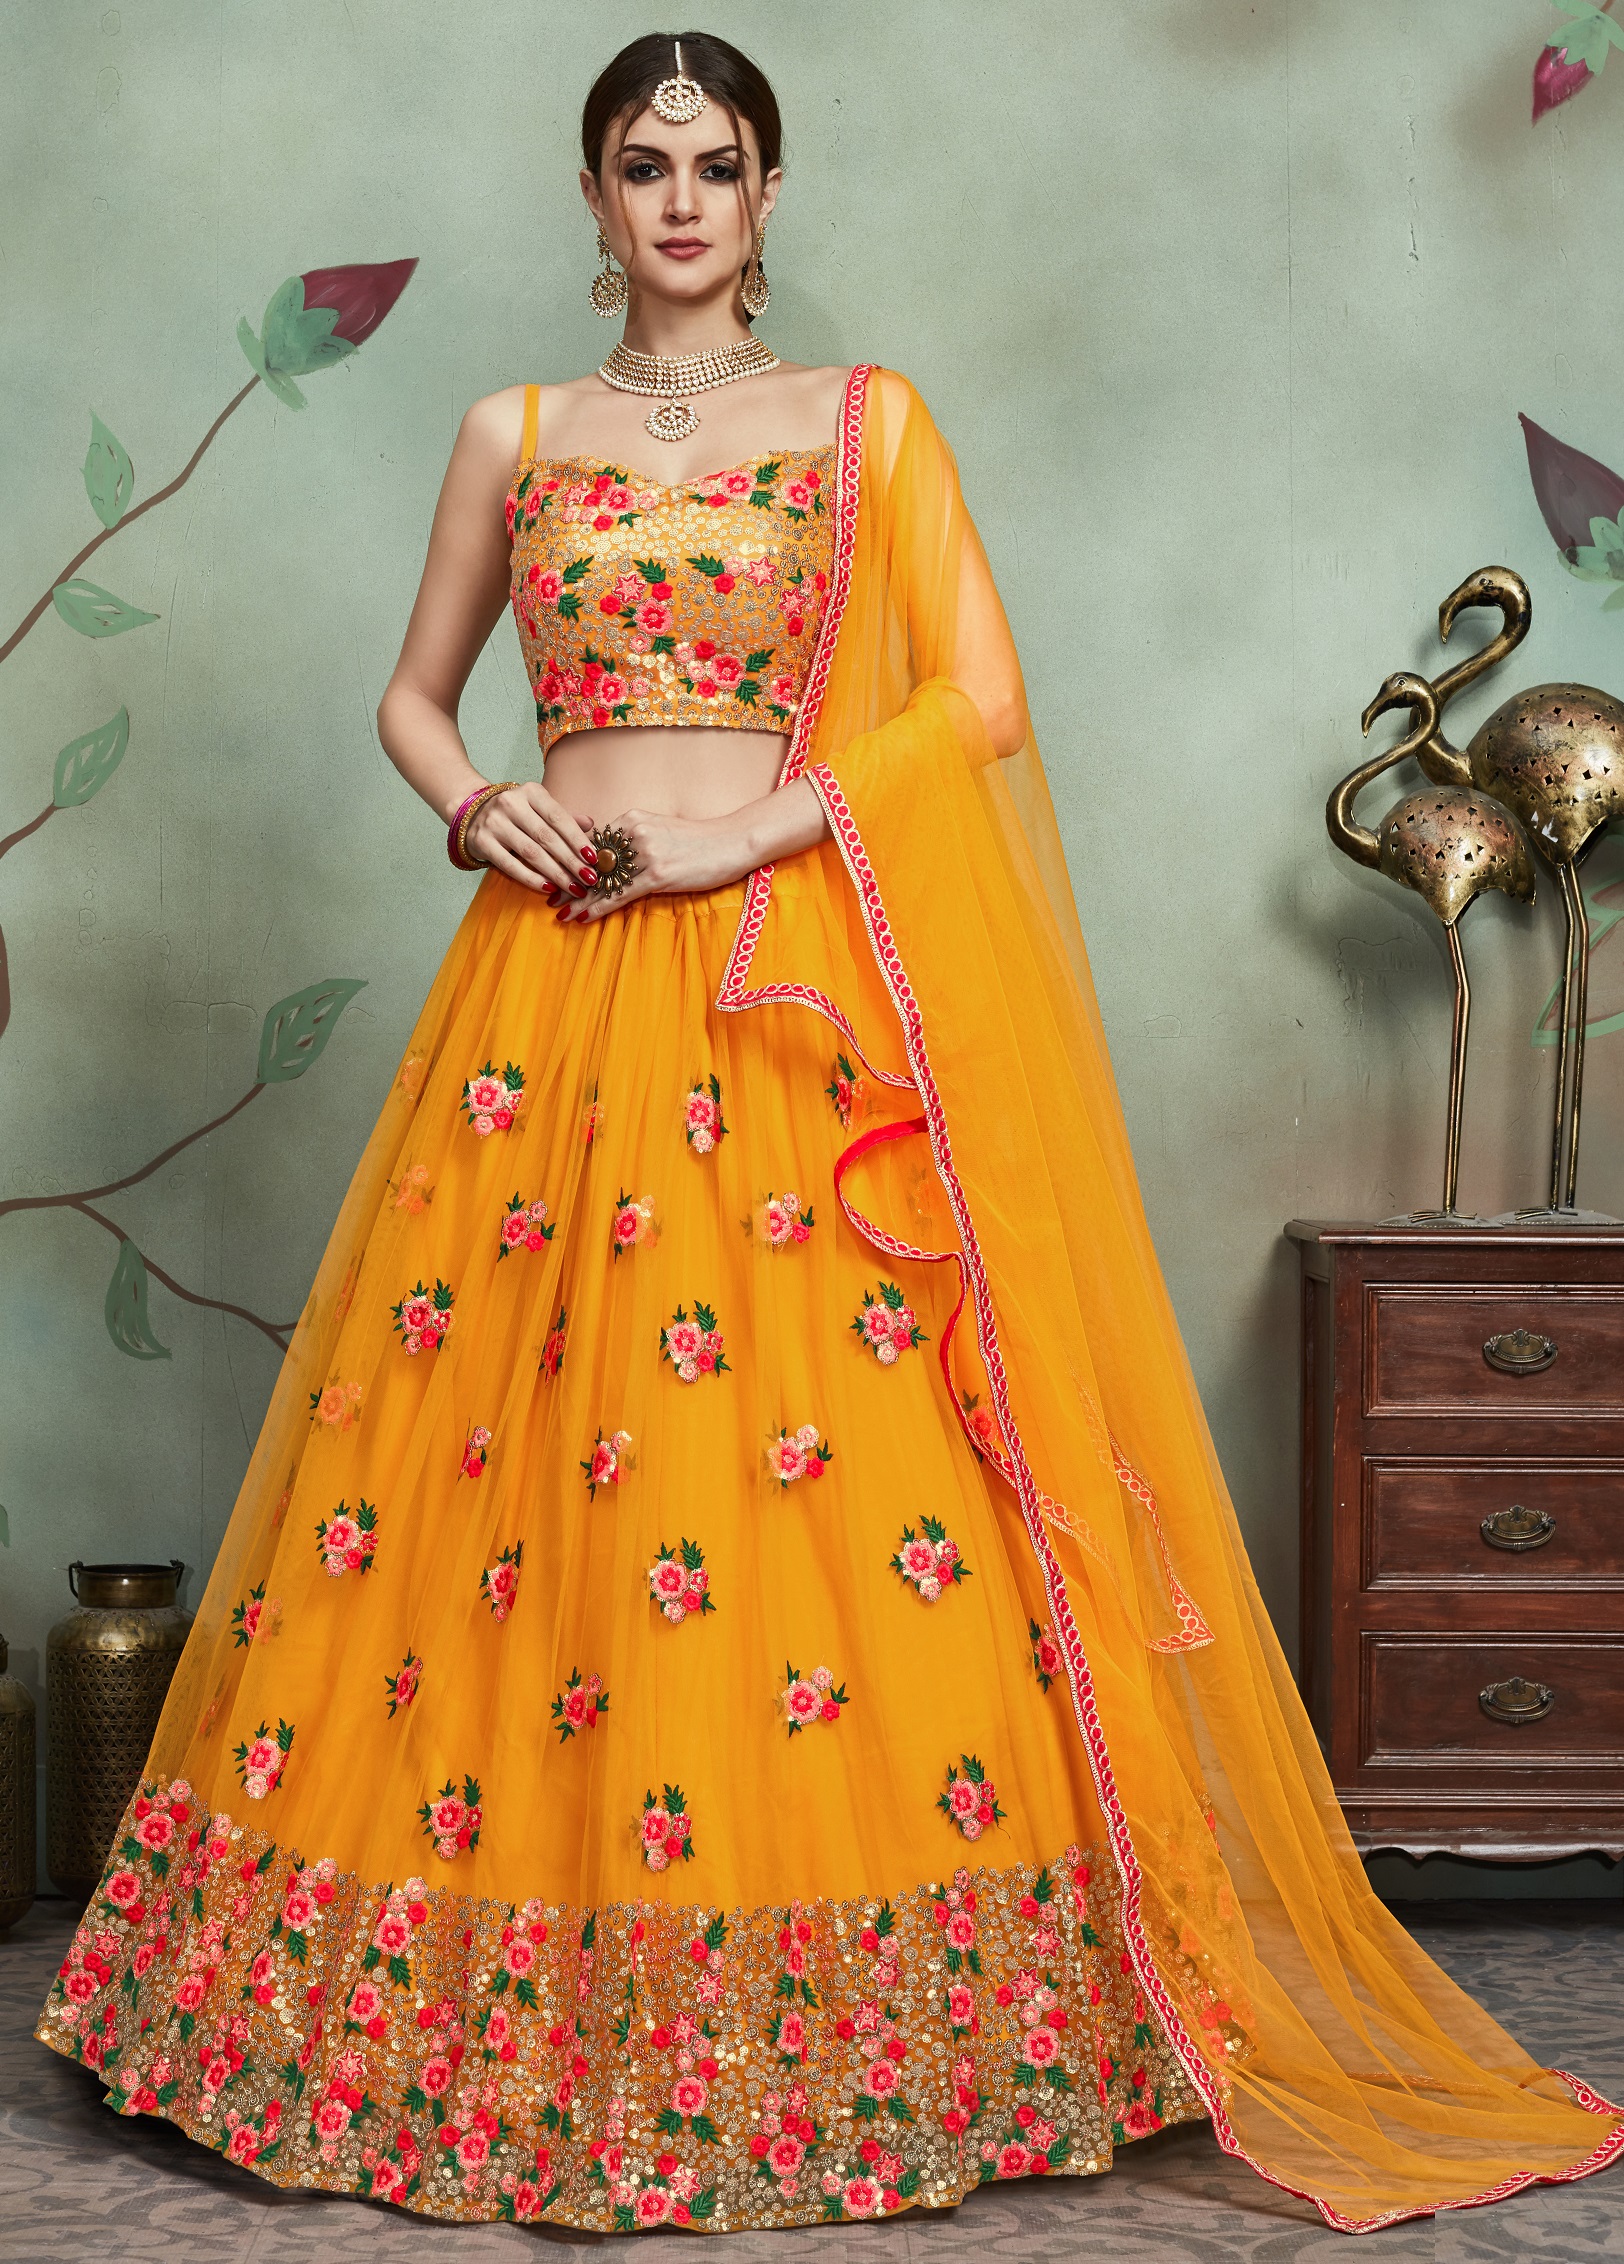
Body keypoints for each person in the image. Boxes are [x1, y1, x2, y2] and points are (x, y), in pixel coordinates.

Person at [37, 29, 1623, 2237]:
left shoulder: (865, 424)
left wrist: (745, 836)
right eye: (641, 164)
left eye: (716, 164)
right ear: (593, 198)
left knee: (806, 1467)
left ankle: (881, 2019)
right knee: (517, 1464)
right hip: (544, 986)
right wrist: (472, 799)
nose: (679, 200)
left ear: (768, 193)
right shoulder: (514, 430)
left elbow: (978, 701)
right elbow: (412, 694)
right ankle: (474, 1998)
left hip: (780, 988)